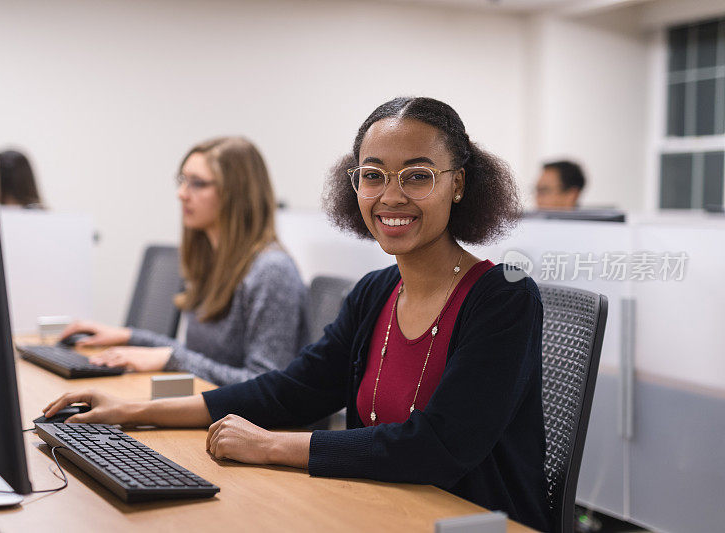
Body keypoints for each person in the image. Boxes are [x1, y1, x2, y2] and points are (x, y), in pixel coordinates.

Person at [44, 99, 550, 531]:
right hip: (381, 508)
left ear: (458, 184)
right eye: (372, 176)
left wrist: (271, 447)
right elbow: (286, 391)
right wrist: (132, 413)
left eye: (418, 176)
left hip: (469, 520)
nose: (391, 196)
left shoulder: (503, 297)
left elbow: (440, 447)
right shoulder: (376, 293)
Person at [59, 137, 308, 386]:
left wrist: (171, 359)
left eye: (197, 184)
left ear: (236, 194)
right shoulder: (212, 260)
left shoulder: (272, 271)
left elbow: (265, 383)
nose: (181, 194)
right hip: (215, 412)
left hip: (248, 423)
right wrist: (126, 336)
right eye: (182, 181)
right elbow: (200, 357)